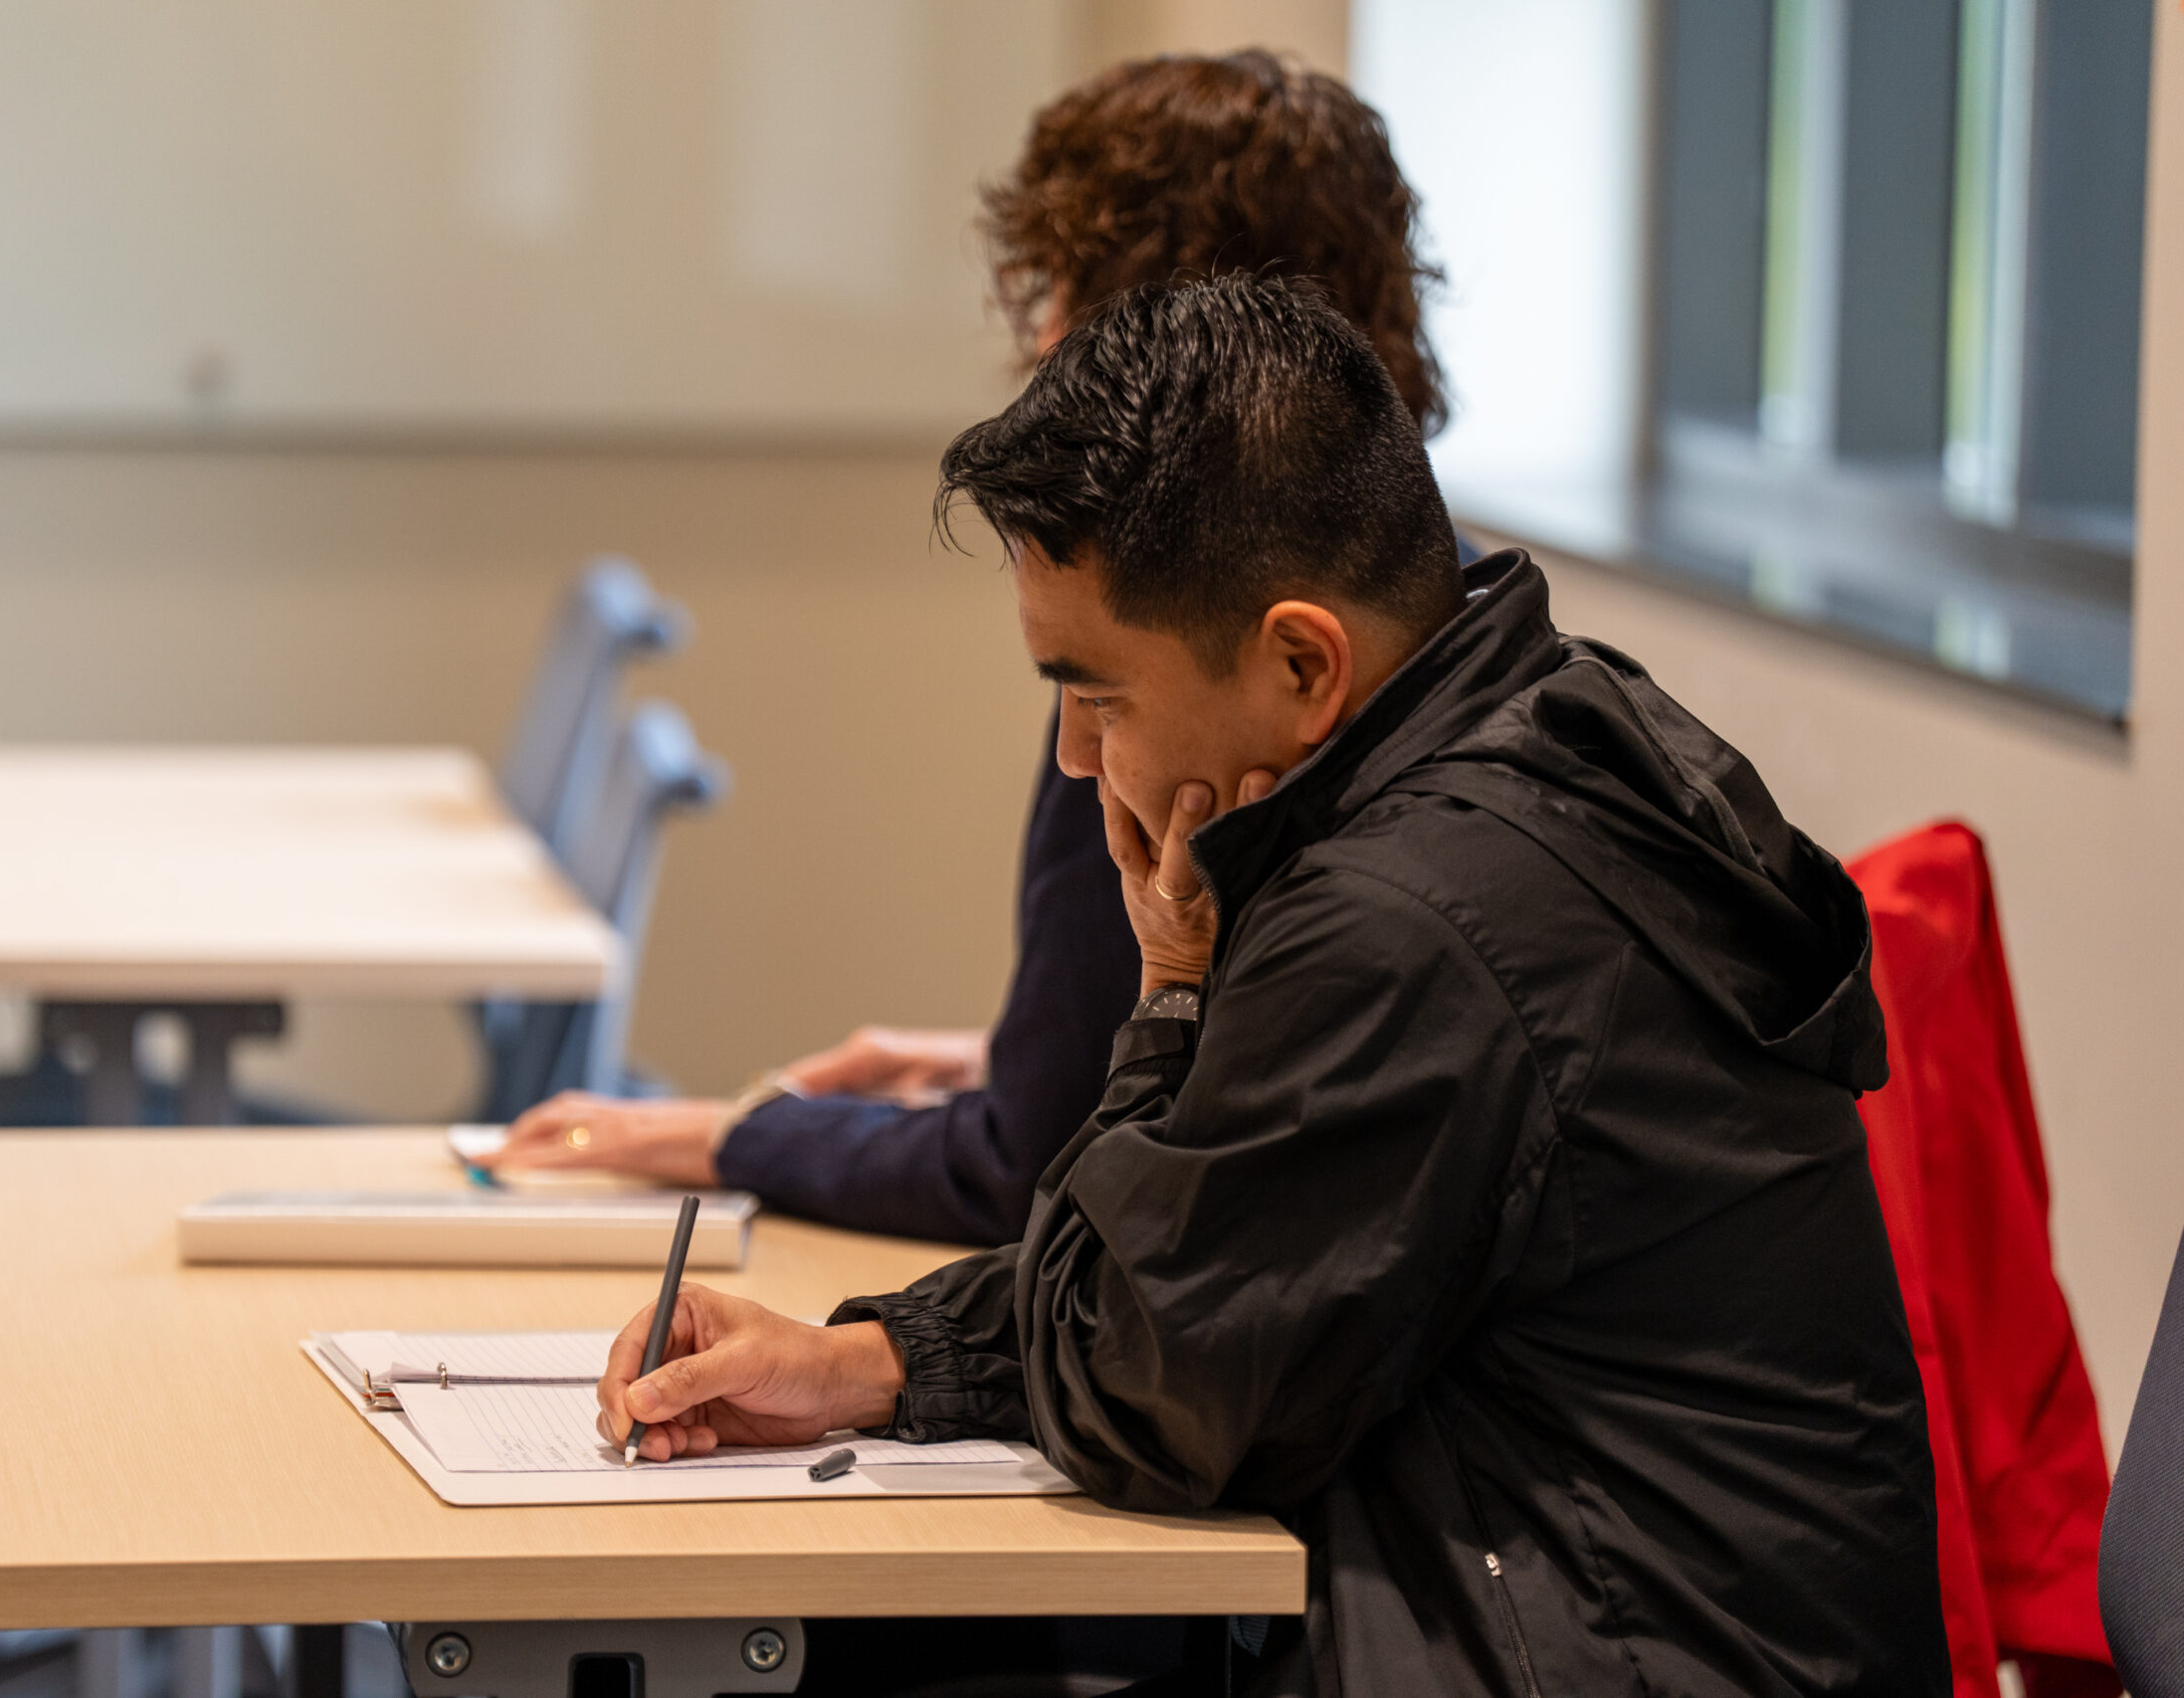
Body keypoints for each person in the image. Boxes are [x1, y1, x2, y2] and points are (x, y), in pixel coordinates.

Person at [586, 278, 1951, 1696]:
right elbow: (1206, 1268)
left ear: (1303, 661)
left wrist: (1170, 984)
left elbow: (1147, 1385)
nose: (1071, 757)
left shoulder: (1414, 917)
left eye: (1098, 694)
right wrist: (872, 1355)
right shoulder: (1527, 737)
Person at [493, 51, 1450, 1246]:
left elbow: (1040, 1164)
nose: (1042, 330)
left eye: (1072, 286)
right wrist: (1000, 1063)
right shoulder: (1434, 623)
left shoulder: (1174, 693)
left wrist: (736, 1137)